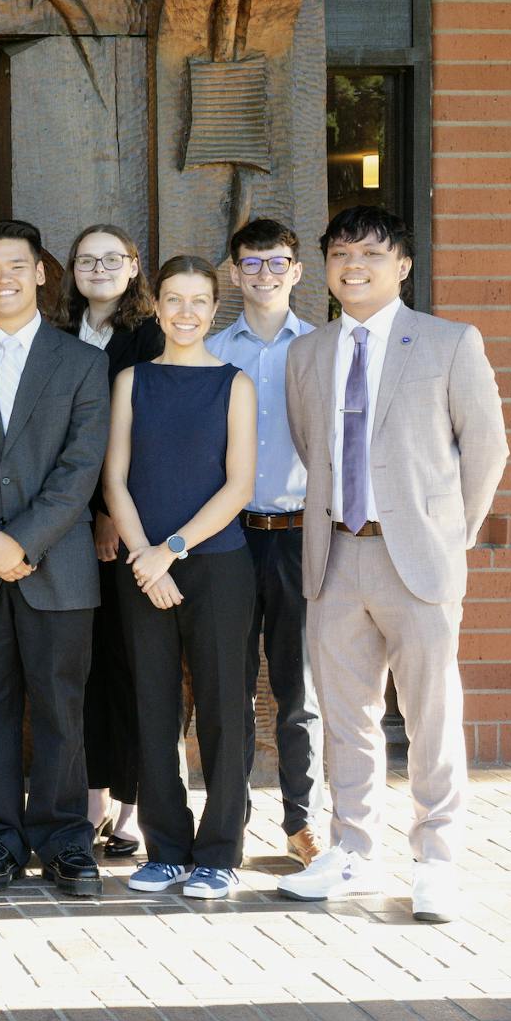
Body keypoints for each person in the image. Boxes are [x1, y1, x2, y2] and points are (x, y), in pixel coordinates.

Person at [276, 206, 507, 924]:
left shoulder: (447, 342)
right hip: (337, 554)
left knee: (433, 716)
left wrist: (450, 534)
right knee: (347, 718)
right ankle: (351, 851)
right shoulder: (308, 352)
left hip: (419, 560)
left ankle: (437, 860)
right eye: (341, 252)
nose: (355, 265)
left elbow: (487, 449)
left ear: (402, 264)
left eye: (372, 252)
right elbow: (313, 447)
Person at [0, 219, 109, 898]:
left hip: (56, 569)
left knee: (62, 710)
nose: (1, 280)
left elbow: (80, 467)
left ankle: (66, 840)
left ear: (40, 273)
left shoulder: (83, 363)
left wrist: (22, 540)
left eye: (15, 267)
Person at [101, 256, 258, 900]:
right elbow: (115, 477)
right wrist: (144, 557)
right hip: (143, 566)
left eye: (199, 301)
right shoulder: (133, 380)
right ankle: (167, 846)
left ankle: (219, 850)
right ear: (157, 306)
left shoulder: (234, 383)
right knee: (153, 704)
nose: (186, 312)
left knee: (224, 708)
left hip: (217, 564)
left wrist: (170, 549)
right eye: (174, 299)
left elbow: (239, 484)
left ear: (213, 308)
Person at [206, 219, 324, 867]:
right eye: (251, 265)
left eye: (276, 263)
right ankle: (228, 822)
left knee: (297, 692)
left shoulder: (324, 348)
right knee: (227, 688)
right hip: (229, 537)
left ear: (296, 270)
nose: (263, 276)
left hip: (301, 536)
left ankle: (301, 824)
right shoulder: (216, 352)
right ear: (233, 272)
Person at [62, 223, 161, 861]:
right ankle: (92, 793)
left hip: (129, 529)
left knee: (131, 667)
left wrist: (110, 516)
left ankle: (131, 806)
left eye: (111, 258)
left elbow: (149, 438)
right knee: (86, 667)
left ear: (132, 267)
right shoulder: (58, 333)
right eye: (85, 259)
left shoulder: (149, 337)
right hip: (65, 530)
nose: (98, 268)